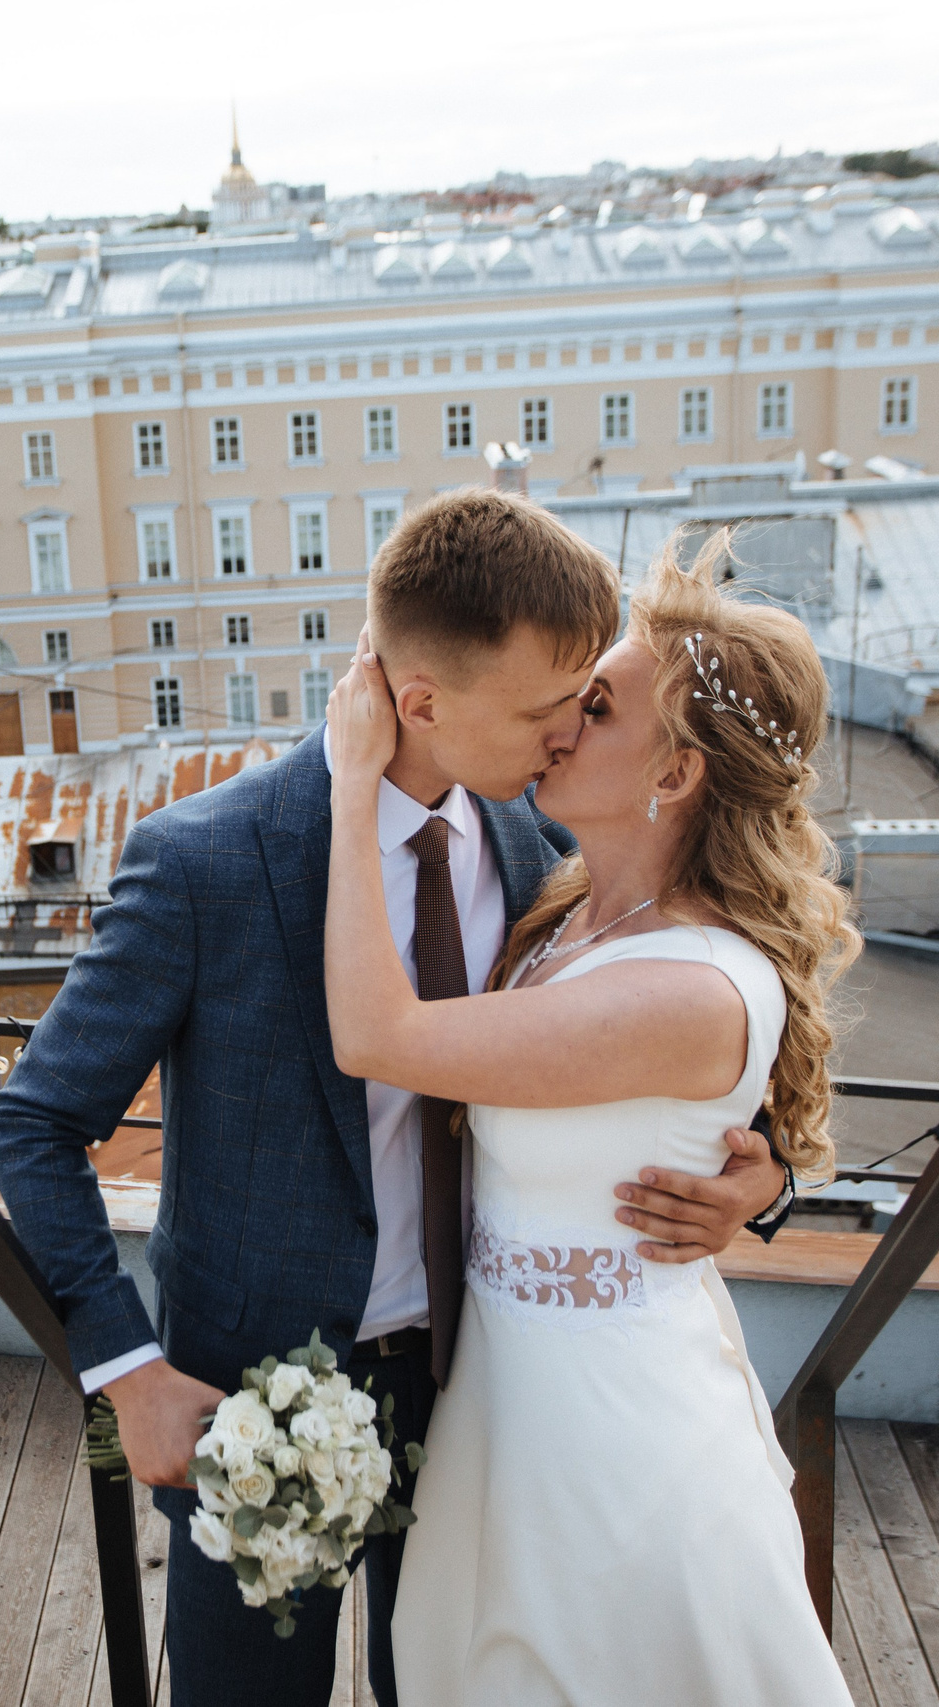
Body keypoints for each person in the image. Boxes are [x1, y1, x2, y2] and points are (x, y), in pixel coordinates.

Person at [0, 491, 798, 1707]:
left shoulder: (540, 852)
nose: (567, 734)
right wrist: (125, 1370)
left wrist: (762, 1177)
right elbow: (33, 1125)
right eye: (543, 709)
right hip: (244, 1397)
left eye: (586, 703)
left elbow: (657, 1038)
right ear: (421, 703)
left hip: (483, 1391)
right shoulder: (202, 861)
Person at [320, 533, 860, 1705]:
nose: (559, 725)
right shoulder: (566, 903)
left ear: (672, 777)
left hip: (615, 1437)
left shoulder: (685, 983)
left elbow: (379, 1037)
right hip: (502, 1399)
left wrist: (349, 776)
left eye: (596, 707)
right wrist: (752, 1179)